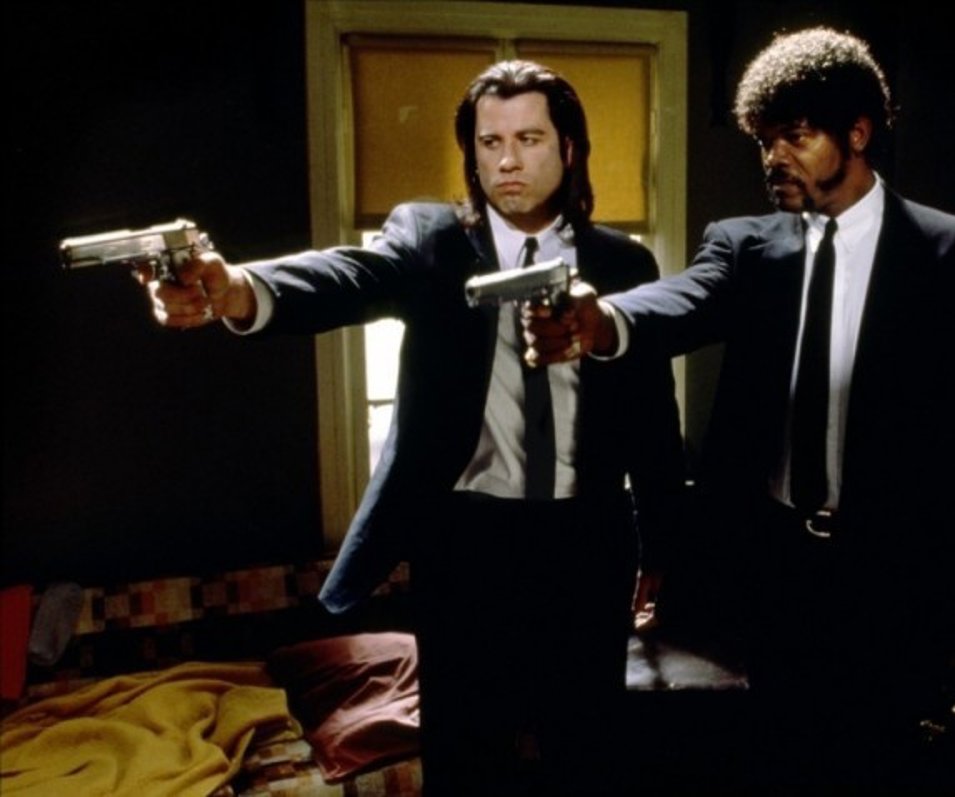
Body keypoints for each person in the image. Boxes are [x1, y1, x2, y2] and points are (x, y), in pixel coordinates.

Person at [143, 60, 683, 796]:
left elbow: (652, 415)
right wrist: (235, 288)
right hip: (469, 543)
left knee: (587, 753)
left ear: (569, 148)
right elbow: (346, 276)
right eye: (490, 142)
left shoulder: (625, 262)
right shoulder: (430, 239)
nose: (507, 160)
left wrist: (662, 542)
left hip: (586, 542)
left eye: (528, 139)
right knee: (466, 758)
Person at [526, 27, 955, 793]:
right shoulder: (744, 246)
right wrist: (603, 319)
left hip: (892, 574)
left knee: (883, 763)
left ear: (858, 133)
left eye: (796, 136)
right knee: (777, 760)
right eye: (764, 139)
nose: (773, 157)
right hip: (775, 566)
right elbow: (680, 301)